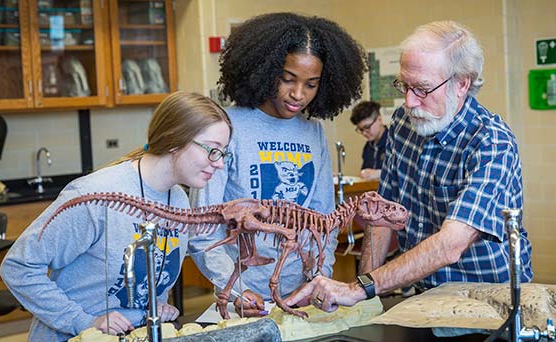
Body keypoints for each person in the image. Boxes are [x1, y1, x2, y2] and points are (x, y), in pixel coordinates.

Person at [285, 20, 533, 312]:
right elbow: (383, 213)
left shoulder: (492, 142)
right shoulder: (405, 123)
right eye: (404, 85)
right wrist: (365, 300)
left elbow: (452, 244)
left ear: (462, 83)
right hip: (424, 294)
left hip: (488, 301)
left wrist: (358, 288)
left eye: (422, 89)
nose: (410, 102)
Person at [0, 91, 233, 341]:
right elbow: (18, 267)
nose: (219, 163)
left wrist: (153, 305)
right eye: (213, 150)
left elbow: (147, 268)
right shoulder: (95, 195)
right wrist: (85, 321)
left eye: (223, 153)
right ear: (174, 140)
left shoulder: (178, 199)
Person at [188, 12, 367, 317]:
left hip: (301, 298)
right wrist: (230, 289)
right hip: (242, 298)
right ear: (264, 69)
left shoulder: (313, 132)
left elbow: (323, 220)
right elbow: (202, 224)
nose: (298, 94)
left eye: (311, 84)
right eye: (288, 79)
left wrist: (318, 279)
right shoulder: (227, 127)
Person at [350, 101, 388, 180]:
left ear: (379, 119)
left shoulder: (394, 143)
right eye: (361, 129)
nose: (364, 133)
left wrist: (379, 173)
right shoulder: (368, 147)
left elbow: (402, 174)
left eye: (367, 127)